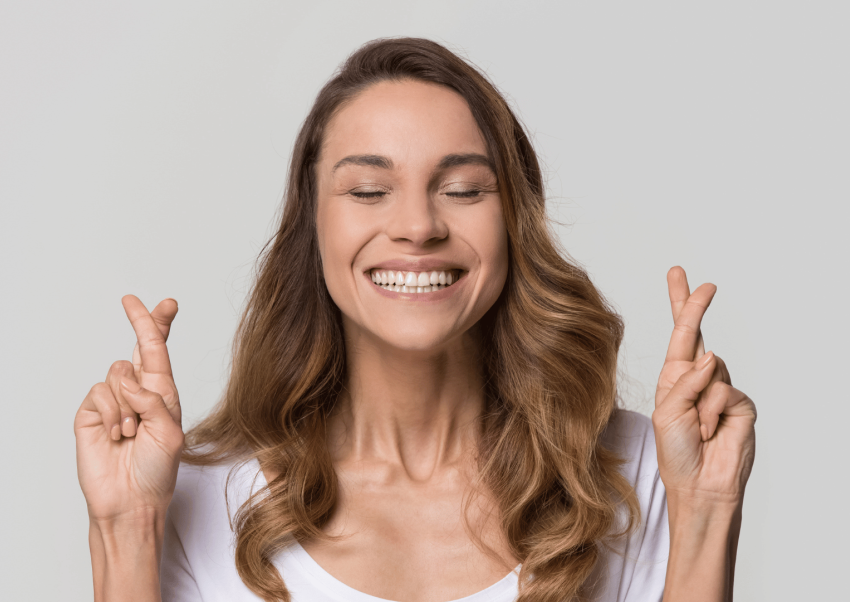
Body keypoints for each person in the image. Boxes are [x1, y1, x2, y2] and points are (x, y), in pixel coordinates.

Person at [74, 38, 756, 602]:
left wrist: (708, 510)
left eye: (462, 190)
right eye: (369, 191)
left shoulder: (639, 471)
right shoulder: (193, 492)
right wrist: (124, 526)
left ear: (513, 221)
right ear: (313, 224)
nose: (418, 226)